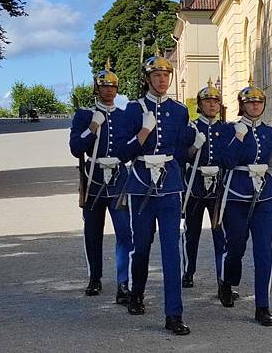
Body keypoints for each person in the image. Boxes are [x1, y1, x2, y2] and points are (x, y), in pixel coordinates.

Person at [116, 52, 191, 336]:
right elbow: (123, 152)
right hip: (141, 183)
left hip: (170, 185)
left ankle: (174, 314)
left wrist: (193, 146)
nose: (162, 80)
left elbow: (181, 152)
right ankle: (136, 292)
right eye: (157, 76)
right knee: (142, 247)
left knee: (172, 250)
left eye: (166, 75)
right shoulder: (133, 111)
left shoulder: (180, 110)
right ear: (147, 79)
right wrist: (143, 134)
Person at [216, 76, 272, 326]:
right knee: (236, 247)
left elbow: (265, 159)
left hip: (263, 193)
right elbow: (227, 161)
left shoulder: (269, 132)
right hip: (237, 194)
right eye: (249, 103)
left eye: (258, 103)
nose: (255, 107)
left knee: (264, 250)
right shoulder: (229, 130)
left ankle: (262, 306)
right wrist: (238, 136)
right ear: (242, 105)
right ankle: (227, 281)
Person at [68, 59, 132, 304]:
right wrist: (93, 127)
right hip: (93, 179)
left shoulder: (125, 116)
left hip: (118, 179)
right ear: (96, 88)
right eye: (104, 86)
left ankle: (123, 282)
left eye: (112, 87)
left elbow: (130, 149)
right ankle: (94, 276)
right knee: (92, 232)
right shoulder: (84, 115)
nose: (108, 90)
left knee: (125, 232)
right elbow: (76, 148)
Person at [181, 79, 229, 293]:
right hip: (195, 185)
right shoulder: (191, 128)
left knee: (221, 234)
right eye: (207, 101)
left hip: (218, 187)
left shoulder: (226, 130)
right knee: (192, 234)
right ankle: (188, 271)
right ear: (199, 105)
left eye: (215, 101)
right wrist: (194, 146)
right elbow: (182, 157)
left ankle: (223, 279)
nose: (211, 105)